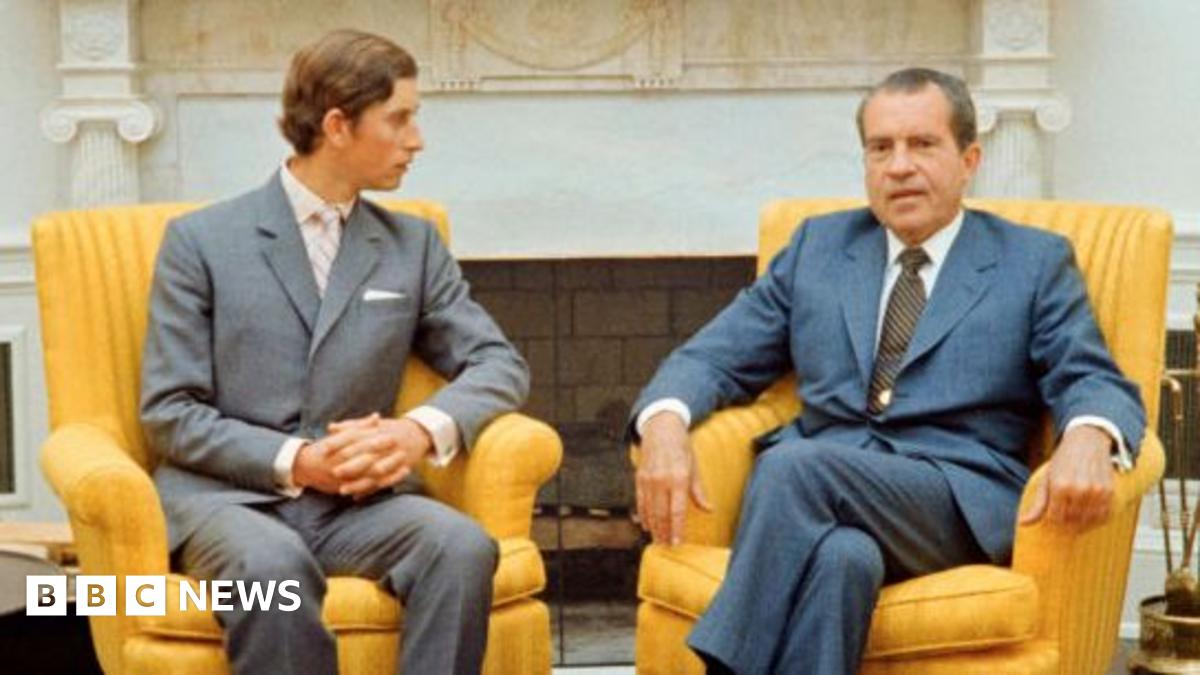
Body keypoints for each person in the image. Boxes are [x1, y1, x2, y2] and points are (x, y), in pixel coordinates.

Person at [630, 67, 1144, 674]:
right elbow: (714, 355)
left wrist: (1088, 435)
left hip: (950, 500)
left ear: (969, 158)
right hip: (828, 506)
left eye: (922, 145)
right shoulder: (818, 248)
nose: (899, 166)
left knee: (791, 467)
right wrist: (663, 426)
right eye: (881, 148)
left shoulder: (1030, 262)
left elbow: (1091, 376)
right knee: (842, 562)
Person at [140, 29, 529, 675]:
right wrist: (299, 460)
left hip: (361, 507)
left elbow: (497, 362)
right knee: (275, 571)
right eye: (399, 118)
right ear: (337, 125)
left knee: (461, 545)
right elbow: (170, 410)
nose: (417, 139)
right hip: (232, 502)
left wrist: (416, 431)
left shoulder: (414, 245)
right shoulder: (200, 242)